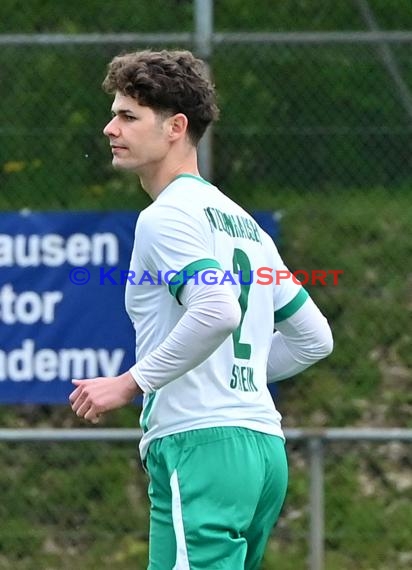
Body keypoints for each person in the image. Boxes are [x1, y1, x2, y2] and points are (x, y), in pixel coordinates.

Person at [69, 49, 333, 570]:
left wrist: (131, 382)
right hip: (262, 450)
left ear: (176, 127)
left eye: (127, 116)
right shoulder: (244, 223)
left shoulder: (166, 216)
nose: (109, 128)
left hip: (201, 448)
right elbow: (314, 338)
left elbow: (215, 311)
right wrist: (234, 376)